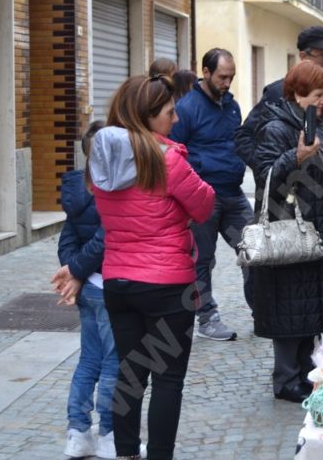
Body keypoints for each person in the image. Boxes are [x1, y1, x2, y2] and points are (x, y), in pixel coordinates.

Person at [88, 75, 215, 460]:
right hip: (166, 286)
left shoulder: (103, 161)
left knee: (130, 373)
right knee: (167, 380)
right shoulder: (166, 160)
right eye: (169, 113)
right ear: (148, 117)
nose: (176, 120)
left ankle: (126, 453)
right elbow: (205, 205)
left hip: (118, 282)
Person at [250, 61, 323, 403]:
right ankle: (285, 380)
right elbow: (265, 177)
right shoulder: (275, 129)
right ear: (297, 94)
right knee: (290, 310)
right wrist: (295, 157)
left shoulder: (315, 125)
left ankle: (304, 372)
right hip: (290, 231)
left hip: (318, 231)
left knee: (310, 310)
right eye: (317, 94)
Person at [235, 26, 323, 212]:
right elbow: (244, 137)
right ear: (303, 56)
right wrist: (274, 166)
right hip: (295, 205)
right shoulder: (278, 92)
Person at [169, 49, 251, 342]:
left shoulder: (232, 106)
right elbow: (175, 155)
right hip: (203, 198)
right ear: (205, 72)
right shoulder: (187, 109)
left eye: (231, 77)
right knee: (202, 260)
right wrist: (194, 187)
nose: (227, 83)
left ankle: (262, 310)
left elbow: (237, 142)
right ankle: (207, 317)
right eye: (222, 77)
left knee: (254, 250)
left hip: (233, 194)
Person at [51, 121, 118, 460]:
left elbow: (69, 241)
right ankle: (108, 435)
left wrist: (75, 273)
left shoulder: (77, 191)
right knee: (112, 363)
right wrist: (75, 272)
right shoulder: (110, 188)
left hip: (89, 290)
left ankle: (77, 433)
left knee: (88, 360)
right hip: (108, 287)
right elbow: (106, 239)